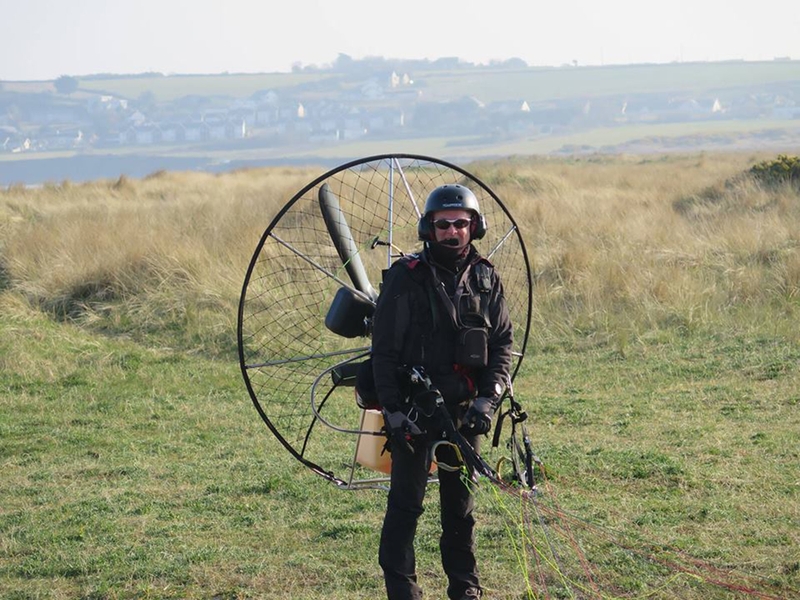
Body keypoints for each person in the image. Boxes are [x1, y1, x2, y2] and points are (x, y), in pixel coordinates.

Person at [370, 184, 514, 600]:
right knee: (405, 506)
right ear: (428, 229)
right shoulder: (406, 276)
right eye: (443, 224)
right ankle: (404, 592)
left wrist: (487, 401)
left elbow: (502, 344)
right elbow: (384, 351)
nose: (452, 232)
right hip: (414, 412)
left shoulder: (486, 277)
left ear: (474, 227)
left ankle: (465, 589)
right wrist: (393, 411)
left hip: (466, 411)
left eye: (460, 224)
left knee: (460, 509)